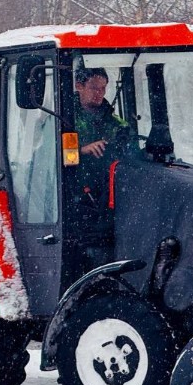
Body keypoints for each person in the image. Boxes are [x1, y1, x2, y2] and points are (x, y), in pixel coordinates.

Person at [72, 67, 135, 266]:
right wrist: (81, 150)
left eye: (103, 88)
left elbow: (131, 153)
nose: (100, 93)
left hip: (108, 194)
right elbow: (46, 152)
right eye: (94, 88)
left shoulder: (117, 124)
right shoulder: (64, 119)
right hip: (72, 193)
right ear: (79, 86)